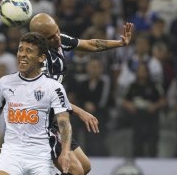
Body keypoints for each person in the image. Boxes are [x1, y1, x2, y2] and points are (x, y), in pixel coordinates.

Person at [0, 32, 72, 175]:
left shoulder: (53, 87)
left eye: (29, 51)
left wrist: (65, 152)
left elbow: (64, 122)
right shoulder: (4, 83)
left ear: (41, 58)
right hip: (12, 154)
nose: (22, 54)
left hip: (40, 155)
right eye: (20, 49)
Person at [29, 13, 134, 174]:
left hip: (54, 118)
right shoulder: (38, 62)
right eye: (51, 37)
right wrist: (80, 112)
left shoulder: (59, 39)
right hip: (41, 123)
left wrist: (120, 43)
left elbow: (90, 44)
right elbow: (49, 98)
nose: (57, 38)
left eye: (57, 31)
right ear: (39, 40)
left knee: (85, 167)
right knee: (76, 171)